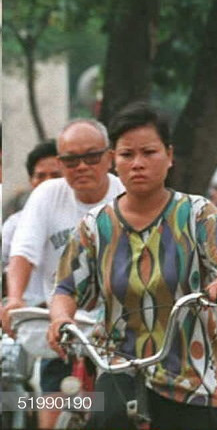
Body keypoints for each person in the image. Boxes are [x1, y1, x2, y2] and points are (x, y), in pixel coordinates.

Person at [47, 103, 217, 430]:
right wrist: (60, 318)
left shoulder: (198, 214)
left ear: (169, 156)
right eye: (127, 155)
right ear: (114, 161)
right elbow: (66, 287)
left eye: (149, 152)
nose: (138, 163)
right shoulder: (95, 227)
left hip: (193, 376)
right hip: (118, 367)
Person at [2, 120, 125, 430]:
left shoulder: (125, 194)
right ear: (61, 162)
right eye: (70, 160)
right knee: (50, 412)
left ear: (109, 157)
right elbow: (23, 253)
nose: (81, 166)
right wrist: (14, 298)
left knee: (117, 415)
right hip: (59, 330)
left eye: (92, 157)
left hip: (117, 330)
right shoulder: (46, 196)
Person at [2, 140, 61, 274]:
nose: (48, 182)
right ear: (31, 181)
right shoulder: (14, 226)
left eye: (55, 175)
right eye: (40, 176)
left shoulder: (86, 219)